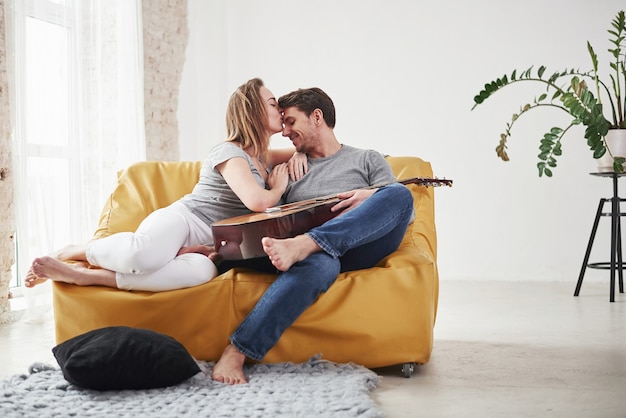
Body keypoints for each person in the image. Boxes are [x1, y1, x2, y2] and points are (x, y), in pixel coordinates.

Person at [211, 87, 415, 384]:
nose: (285, 132)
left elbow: (403, 213)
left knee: (398, 193)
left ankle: (310, 243)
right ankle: (236, 353)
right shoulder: (290, 169)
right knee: (322, 264)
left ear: (316, 117)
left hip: (363, 245)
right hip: (313, 256)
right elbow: (273, 223)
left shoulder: (367, 159)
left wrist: (369, 195)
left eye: (291, 122)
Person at [25, 78, 306, 292]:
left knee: (199, 274)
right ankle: (74, 252)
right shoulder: (230, 152)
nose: (280, 109)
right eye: (272, 103)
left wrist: (302, 151)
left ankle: (88, 277)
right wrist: (278, 188)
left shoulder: (264, 158)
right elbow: (257, 203)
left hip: (206, 244)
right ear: (251, 110)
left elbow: (308, 148)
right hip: (185, 220)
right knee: (143, 256)